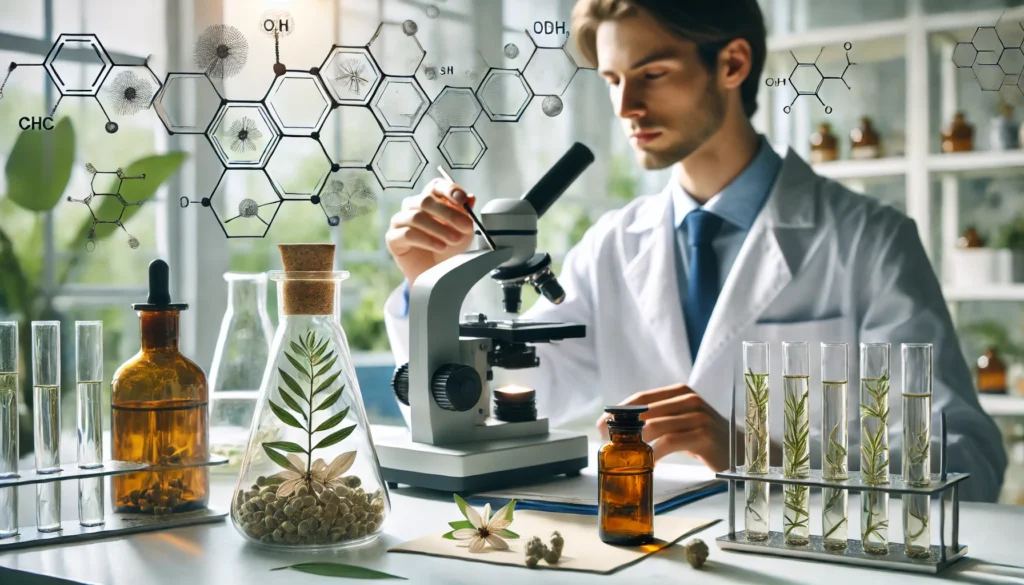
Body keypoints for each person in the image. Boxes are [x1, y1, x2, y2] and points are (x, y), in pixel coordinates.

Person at [382, 0, 1006, 501]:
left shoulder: (870, 240)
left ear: (732, 64)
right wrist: (431, 284)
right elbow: (516, 394)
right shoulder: (611, 246)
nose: (627, 108)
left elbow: (967, 461)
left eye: (652, 74)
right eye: (613, 80)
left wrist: (754, 452)